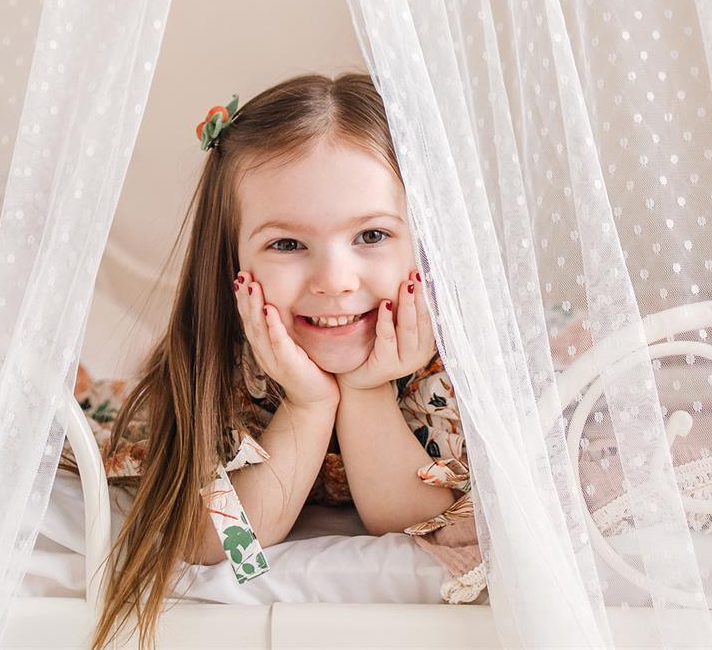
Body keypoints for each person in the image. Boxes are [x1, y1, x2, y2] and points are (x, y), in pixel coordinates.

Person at [69, 72, 483, 650]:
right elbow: (222, 545)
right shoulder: (225, 363)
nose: (336, 282)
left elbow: (419, 527)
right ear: (230, 260)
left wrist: (367, 395)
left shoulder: (453, 364)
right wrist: (310, 404)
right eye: (287, 245)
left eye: (371, 234)